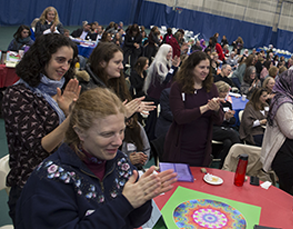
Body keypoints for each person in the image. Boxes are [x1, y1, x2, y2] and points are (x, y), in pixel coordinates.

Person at [15, 88, 177, 229]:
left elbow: (136, 221)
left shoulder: (120, 162)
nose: (119, 141)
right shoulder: (51, 179)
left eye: (121, 131)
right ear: (80, 132)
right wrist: (125, 202)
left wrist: (143, 197)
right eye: (107, 134)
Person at [2, 34, 80, 223]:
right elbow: (39, 147)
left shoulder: (63, 91)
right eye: (60, 60)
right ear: (42, 58)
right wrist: (71, 118)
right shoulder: (17, 95)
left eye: (69, 62)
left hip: (62, 180)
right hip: (32, 186)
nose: (65, 67)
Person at [161, 51, 224, 166]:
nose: (205, 71)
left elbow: (219, 120)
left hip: (202, 147)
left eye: (208, 67)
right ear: (191, 67)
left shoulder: (211, 88)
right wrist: (205, 108)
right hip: (180, 145)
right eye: (201, 67)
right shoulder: (178, 87)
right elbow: (179, 116)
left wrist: (215, 109)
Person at [142, 44, 181, 139]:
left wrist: (175, 68)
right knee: (152, 122)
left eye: (171, 52)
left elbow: (171, 77)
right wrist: (173, 68)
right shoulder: (158, 64)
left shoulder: (167, 64)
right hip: (155, 96)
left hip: (162, 96)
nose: (170, 54)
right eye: (169, 52)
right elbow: (165, 80)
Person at [213, 81, 240, 166]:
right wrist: (224, 118)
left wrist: (228, 118)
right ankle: (239, 157)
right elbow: (212, 120)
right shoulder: (213, 104)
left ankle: (224, 164)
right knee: (233, 133)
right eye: (222, 91)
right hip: (214, 129)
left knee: (228, 142)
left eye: (226, 92)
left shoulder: (227, 104)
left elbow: (233, 121)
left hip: (224, 129)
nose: (225, 94)